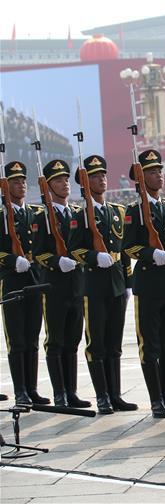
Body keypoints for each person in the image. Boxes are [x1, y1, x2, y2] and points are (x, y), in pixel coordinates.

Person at [124, 149, 165, 419]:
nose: (159, 176)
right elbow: (128, 247)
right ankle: (156, 400)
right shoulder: (135, 211)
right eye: (152, 172)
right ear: (141, 179)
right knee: (150, 345)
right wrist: (150, 254)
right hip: (149, 284)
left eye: (159, 171)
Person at [68, 155, 135, 414]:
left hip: (116, 283)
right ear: (86, 183)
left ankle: (115, 394)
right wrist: (94, 257)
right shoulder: (81, 215)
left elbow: (124, 249)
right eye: (95, 176)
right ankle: (102, 396)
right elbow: (74, 250)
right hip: (94, 285)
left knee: (114, 343)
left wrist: (128, 282)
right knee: (97, 343)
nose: (102, 179)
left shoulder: (117, 211)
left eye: (103, 174)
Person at [32, 159, 90, 408]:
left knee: (73, 341)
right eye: (58, 180)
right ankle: (59, 393)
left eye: (66, 179)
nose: (65, 184)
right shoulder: (42, 217)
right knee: (55, 340)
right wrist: (57, 262)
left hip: (76, 285)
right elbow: (38, 253)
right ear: (48, 186)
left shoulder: (77, 214)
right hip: (54, 286)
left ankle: (72, 392)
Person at [0, 161, 48, 406]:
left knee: (32, 336)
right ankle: (20, 391)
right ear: (5, 186)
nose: (21, 185)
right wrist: (11, 260)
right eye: (15, 181)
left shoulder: (35, 213)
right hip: (12, 281)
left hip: (34, 279)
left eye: (22, 181)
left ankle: (32, 389)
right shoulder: (1, 216)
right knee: (17, 338)